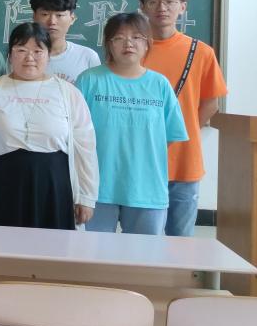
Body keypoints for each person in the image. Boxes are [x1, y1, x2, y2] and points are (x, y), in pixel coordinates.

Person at [0, 23, 98, 229]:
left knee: (54, 245)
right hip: (4, 183)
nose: (29, 57)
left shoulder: (68, 92)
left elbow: (85, 146)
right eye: (21, 50)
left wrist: (86, 197)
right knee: (1, 243)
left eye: (38, 51)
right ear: (10, 55)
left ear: (49, 55)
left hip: (55, 184)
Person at [77, 13, 187, 235]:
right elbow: (75, 134)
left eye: (136, 37)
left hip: (146, 189)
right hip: (96, 188)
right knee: (93, 253)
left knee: (144, 255)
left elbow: (168, 137)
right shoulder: (89, 80)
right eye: (119, 38)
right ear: (109, 44)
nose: (128, 44)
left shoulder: (159, 84)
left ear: (147, 43)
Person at [137, 0, 228, 236]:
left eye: (170, 1)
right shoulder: (131, 50)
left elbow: (211, 103)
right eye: (153, 1)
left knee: (181, 240)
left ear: (183, 6)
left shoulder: (201, 52)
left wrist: (182, 132)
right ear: (142, 7)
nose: (162, 8)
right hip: (141, 159)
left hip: (185, 161)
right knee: (142, 241)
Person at [30, 0, 100, 82]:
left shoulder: (87, 57)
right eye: (45, 14)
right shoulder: (22, 56)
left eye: (59, 15)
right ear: (34, 17)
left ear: (72, 18)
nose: (52, 21)